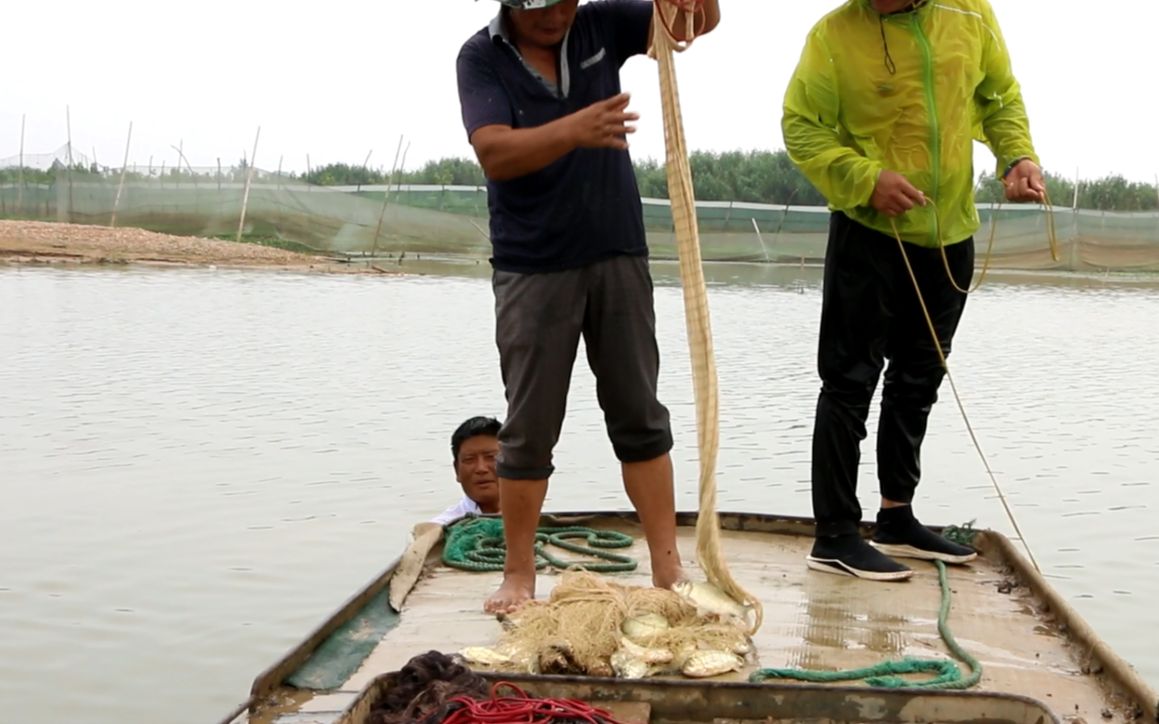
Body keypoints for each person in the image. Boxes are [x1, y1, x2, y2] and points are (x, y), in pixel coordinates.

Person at [455, 0, 721, 613]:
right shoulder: (480, 57)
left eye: (565, 3)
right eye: (541, 8)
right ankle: (519, 574)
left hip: (617, 251)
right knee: (529, 427)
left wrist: (697, 4)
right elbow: (495, 152)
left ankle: (667, 565)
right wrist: (575, 129)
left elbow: (688, 27)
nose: (556, 17)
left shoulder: (600, 23)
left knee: (639, 411)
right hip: (532, 265)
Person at [782, 0, 1044, 581]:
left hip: (950, 233)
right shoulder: (833, 35)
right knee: (848, 382)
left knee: (919, 377)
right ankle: (835, 534)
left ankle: (896, 517)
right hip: (868, 232)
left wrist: (1017, 156)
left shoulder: (970, 14)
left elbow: (998, 95)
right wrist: (865, 178)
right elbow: (801, 127)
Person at [432, 416, 503, 527]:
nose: (481, 468)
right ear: (456, 470)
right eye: (469, 459)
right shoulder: (440, 530)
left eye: (491, 457)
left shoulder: (534, 519)